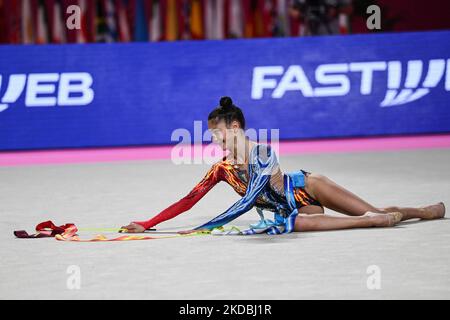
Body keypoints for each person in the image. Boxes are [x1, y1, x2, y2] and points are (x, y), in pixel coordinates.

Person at [121, 97, 445, 234]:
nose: (214, 141)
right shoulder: (221, 168)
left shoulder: (262, 152)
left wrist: (200, 229)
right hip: (294, 212)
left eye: (217, 134)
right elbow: (188, 199)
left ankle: (421, 211)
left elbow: (248, 202)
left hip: (309, 186)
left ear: (234, 128)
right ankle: (373, 222)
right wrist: (147, 224)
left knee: (371, 209)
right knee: (297, 224)